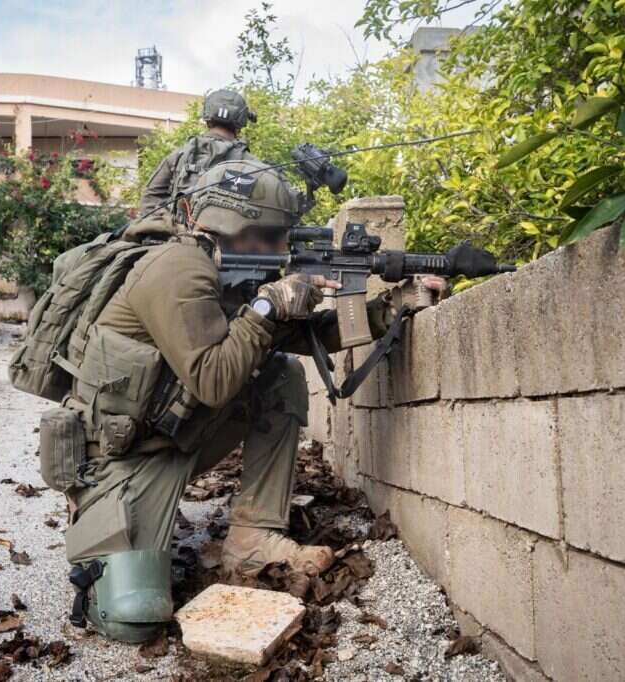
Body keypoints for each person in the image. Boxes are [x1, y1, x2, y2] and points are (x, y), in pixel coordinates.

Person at [61, 159, 443, 643]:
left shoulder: (230, 271)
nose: (279, 249)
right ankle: (99, 512)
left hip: (176, 434)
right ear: (229, 226)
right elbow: (214, 381)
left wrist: (395, 305)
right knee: (132, 619)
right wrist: (268, 306)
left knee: (280, 374)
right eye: (267, 236)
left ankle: (252, 537)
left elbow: (308, 338)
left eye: (281, 236)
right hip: (124, 457)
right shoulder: (177, 268)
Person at [129, 88, 260, 238]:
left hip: (178, 241)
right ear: (241, 121)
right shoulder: (252, 163)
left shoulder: (179, 155)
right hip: (230, 245)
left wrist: (172, 229)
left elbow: (150, 198)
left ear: (207, 118)